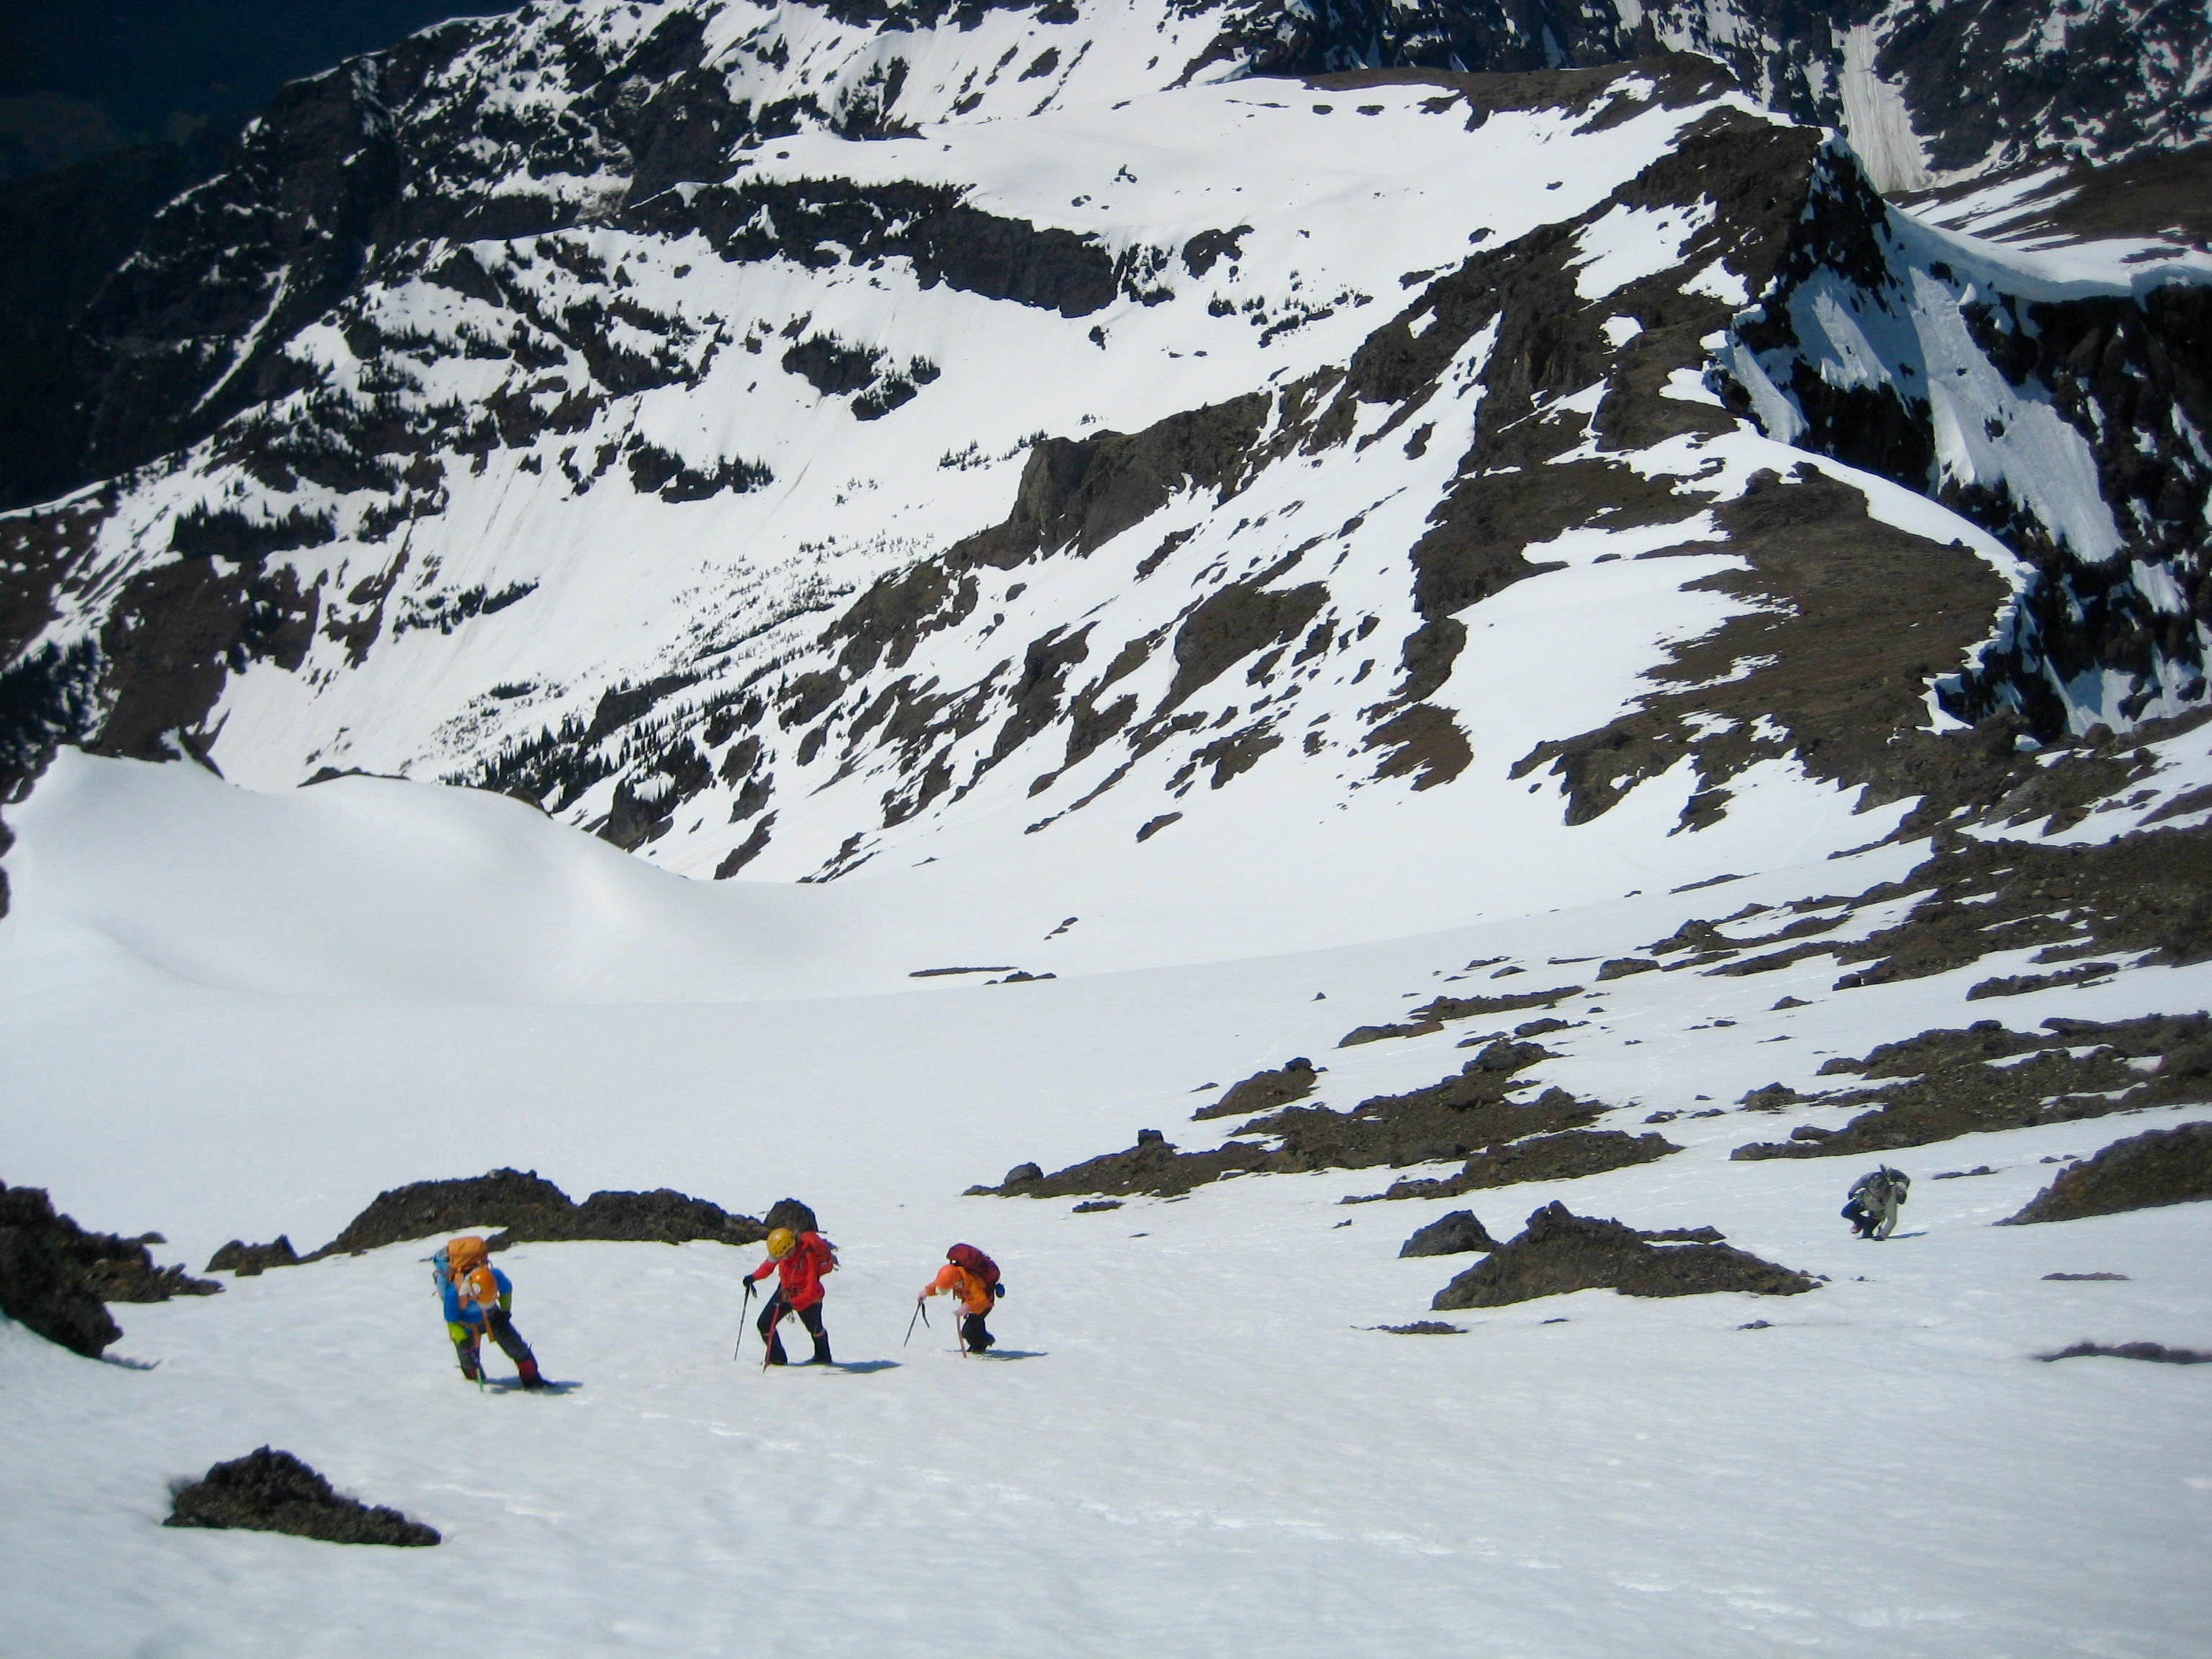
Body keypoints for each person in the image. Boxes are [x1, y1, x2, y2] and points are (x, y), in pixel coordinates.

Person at [433, 1235, 545, 1387]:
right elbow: (452, 1321)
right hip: (465, 1326)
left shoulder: (495, 1276)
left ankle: (532, 1380)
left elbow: (506, 1290)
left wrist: (505, 1311)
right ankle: (473, 1384)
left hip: (492, 1317)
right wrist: (463, 1340)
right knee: (470, 1363)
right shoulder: (454, 1293)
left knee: (517, 1348)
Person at [747, 1225, 837, 1365]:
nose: (782, 1259)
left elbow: (812, 1291)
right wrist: (753, 1277)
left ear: (790, 1248)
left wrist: (792, 1303)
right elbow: (768, 1266)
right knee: (764, 1324)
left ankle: (823, 1358)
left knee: (815, 1328)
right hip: (787, 1290)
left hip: (808, 1298)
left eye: (785, 1255)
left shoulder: (808, 1256)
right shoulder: (782, 1249)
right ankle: (777, 1359)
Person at [920, 1243, 1003, 1354]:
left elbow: (981, 1301)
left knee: (968, 1331)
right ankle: (978, 1346)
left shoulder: (971, 1281)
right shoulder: (953, 1274)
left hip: (984, 1304)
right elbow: (939, 1285)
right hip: (972, 1303)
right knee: (975, 1326)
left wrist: (967, 1306)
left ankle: (983, 1342)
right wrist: (927, 1292)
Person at [1843, 1166, 1910, 1240]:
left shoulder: (1890, 1197)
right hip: (1864, 1200)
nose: (1876, 1192)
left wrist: (1882, 1235)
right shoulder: (1870, 1178)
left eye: (1879, 1191)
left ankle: (1867, 1225)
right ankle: (1860, 1222)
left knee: (1867, 1233)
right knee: (1847, 1212)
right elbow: (1861, 1181)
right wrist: (1852, 1191)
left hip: (1878, 1211)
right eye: (1873, 1188)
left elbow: (1892, 1219)